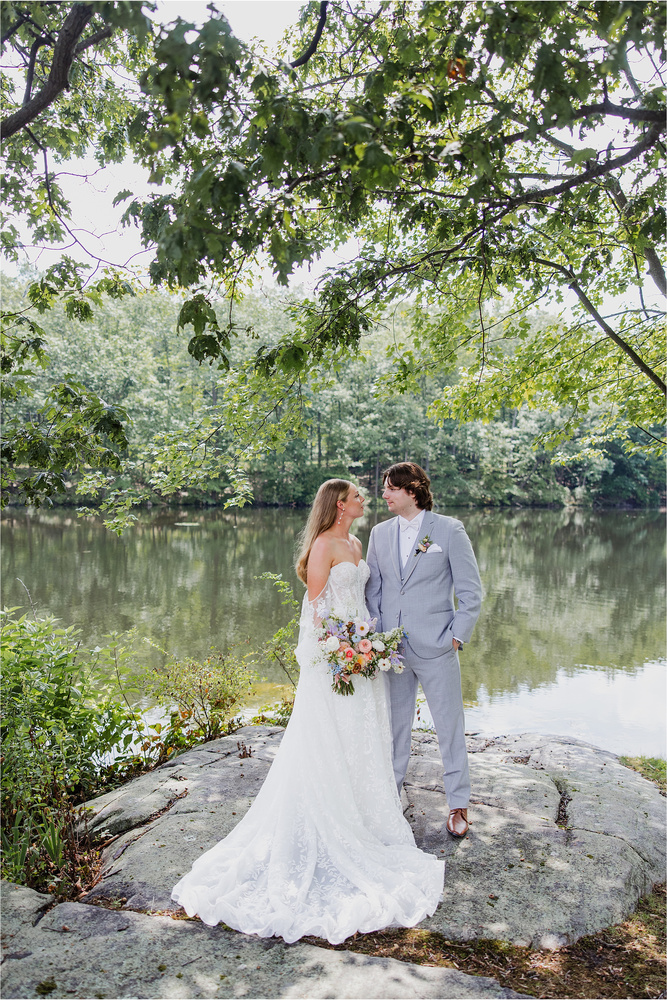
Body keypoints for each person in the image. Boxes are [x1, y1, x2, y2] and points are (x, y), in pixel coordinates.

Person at [171, 479, 444, 944]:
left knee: (363, 737)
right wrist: (338, 651)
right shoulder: (322, 545)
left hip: (363, 657)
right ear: (340, 504)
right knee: (328, 738)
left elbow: (362, 601)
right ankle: (325, 818)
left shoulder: (357, 542)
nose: (365, 500)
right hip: (336, 659)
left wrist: (369, 647)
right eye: (358, 496)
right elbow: (315, 608)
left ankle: (362, 816)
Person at [365, 462, 482, 839]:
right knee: (395, 729)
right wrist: (374, 636)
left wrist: (456, 636)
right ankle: (390, 798)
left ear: (412, 491)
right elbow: (374, 590)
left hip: (437, 646)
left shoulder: (448, 530)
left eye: (390, 488)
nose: (384, 494)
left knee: (449, 727)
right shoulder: (380, 534)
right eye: (385, 488)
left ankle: (458, 805)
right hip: (391, 651)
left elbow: (470, 592)